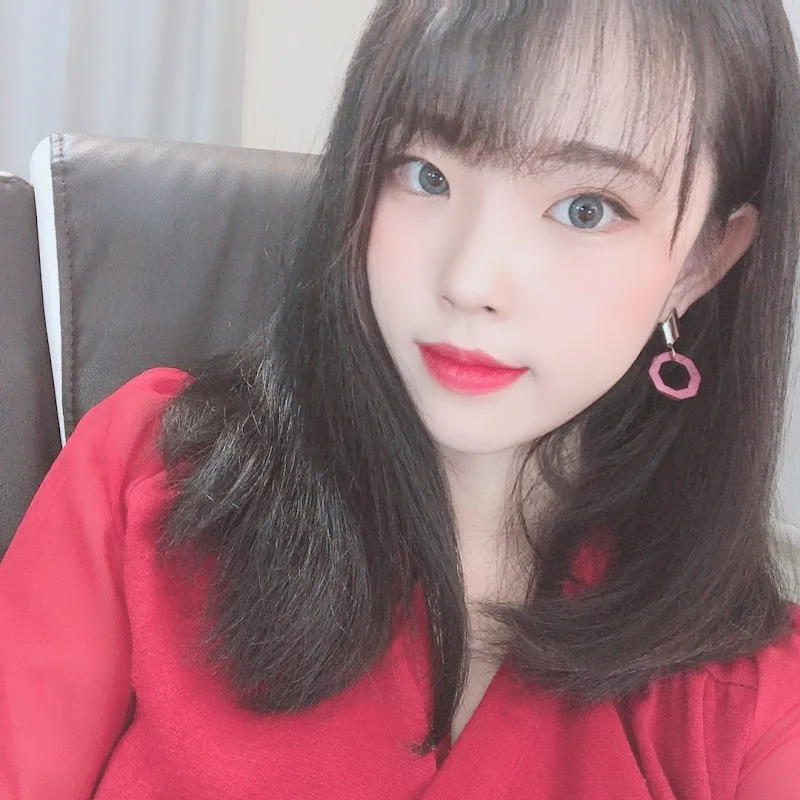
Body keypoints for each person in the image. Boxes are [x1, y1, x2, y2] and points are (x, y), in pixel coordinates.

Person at [2, 0, 800, 797]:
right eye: (426, 173)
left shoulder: (748, 703)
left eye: (586, 210)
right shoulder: (143, 477)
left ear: (702, 260)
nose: (469, 280)